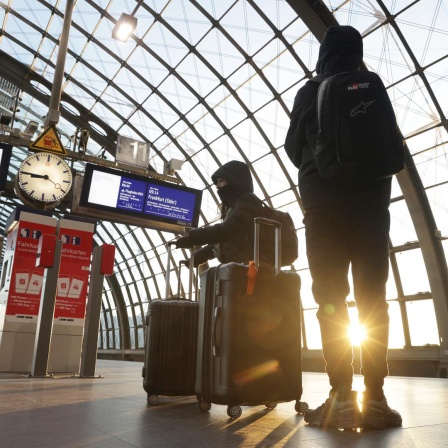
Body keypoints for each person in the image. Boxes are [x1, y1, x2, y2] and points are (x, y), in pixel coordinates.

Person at [284, 25, 402, 430]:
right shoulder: (373, 89)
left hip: (325, 212)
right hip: (372, 209)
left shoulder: (311, 90)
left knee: (331, 301)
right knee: (374, 300)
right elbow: (392, 149)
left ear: (324, 53)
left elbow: (293, 148)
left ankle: (341, 397)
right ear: (358, 53)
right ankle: (378, 398)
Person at [175, 160, 265, 267]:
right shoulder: (235, 206)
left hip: (250, 270)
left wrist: (196, 237)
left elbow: (229, 230)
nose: (217, 186)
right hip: (241, 268)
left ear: (235, 181)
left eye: (221, 181)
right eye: (217, 182)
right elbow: (221, 243)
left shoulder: (248, 201)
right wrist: (196, 258)